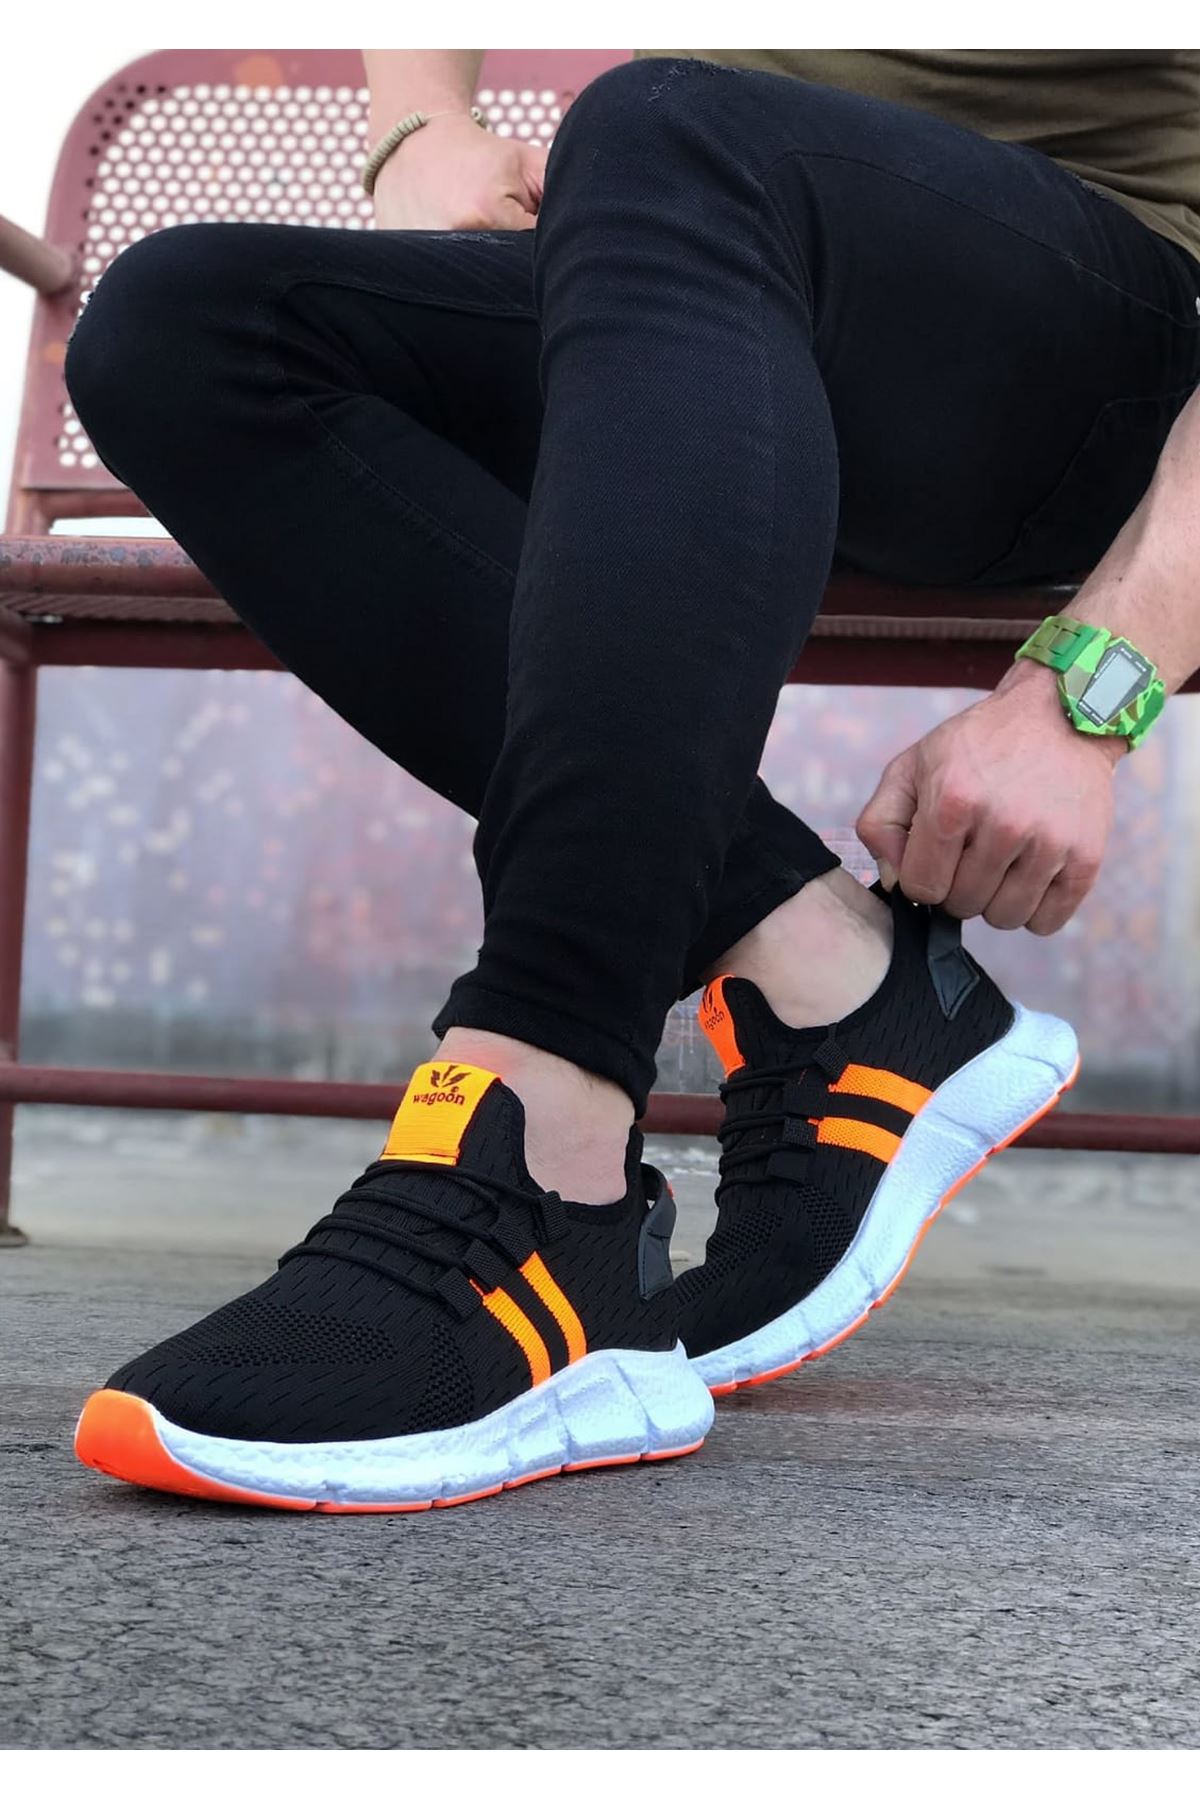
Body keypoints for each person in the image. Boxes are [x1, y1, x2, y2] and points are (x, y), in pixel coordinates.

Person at [64, 49, 1200, 1511]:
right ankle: (834, 976)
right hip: (701, 272)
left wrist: (1096, 681)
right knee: (187, 328)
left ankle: (550, 1158)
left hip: (1106, 367)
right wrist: (421, 119)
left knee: (670, 127)